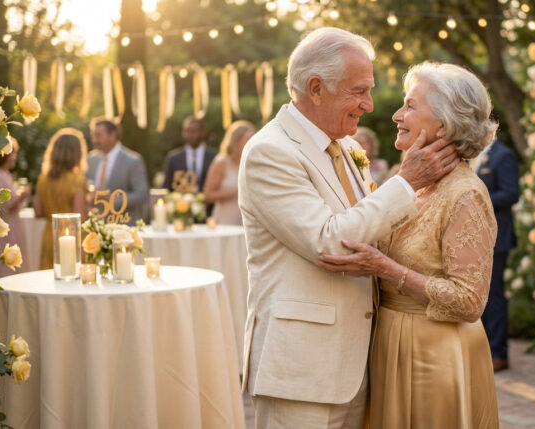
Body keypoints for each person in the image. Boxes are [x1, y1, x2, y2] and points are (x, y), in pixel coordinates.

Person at [238, 28, 459, 429]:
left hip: (361, 362)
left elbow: (373, 229)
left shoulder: (350, 148)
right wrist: (406, 182)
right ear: (317, 88)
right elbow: (331, 243)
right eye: (359, 91)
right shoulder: (269, 152)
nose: (369, 105)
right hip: (302, 371)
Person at [316, 61, 501, 429]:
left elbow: (470, 301)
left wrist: (384, 269)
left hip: (437, 358)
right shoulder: (411, 182)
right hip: (390, 346)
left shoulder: (465, 195)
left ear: (444, 124)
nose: (397, 115)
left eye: (411, 106)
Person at [471, 135, 520, 371]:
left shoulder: (504, 155)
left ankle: (499, 353)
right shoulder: (470, 153)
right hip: (472, 236)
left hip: (497, 238)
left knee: (494, 296)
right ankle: (479, 350)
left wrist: (474, 196)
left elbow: (511, 194)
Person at [33, 128, 88, 269]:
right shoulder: (76, 180)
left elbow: (38, 212)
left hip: (50, 234)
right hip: (71, 237)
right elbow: (80, 217)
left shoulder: (43, 179)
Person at [86, 119, 149, 223]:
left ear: (113, 135)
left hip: (123, 225)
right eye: (93, 135)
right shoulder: (90, 159)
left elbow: (142, 195)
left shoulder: (133, 161)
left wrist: (111, 199)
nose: (94, 140)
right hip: (95, 224)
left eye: (99, 135)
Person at [0, 138, 29, 278]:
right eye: (13, 153)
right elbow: (8, 207)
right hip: (6, 227)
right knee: (6, 268)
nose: (14, 157)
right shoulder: (1, 176)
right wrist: (23, 196)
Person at [203, 120, 255, 225]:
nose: (252, 142)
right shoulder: (221, 162)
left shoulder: (254, 162)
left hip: (248, 221)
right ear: (236, 140)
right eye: (248, 139)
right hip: (226, 219)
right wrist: (237, 190)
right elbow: (207, 196)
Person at [162, 116, 218, 193]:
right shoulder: (174, 157)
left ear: (202, 132)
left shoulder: (215, 157)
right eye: (187, 131)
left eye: (193, 131)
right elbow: (167, 186)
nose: (190, 135)